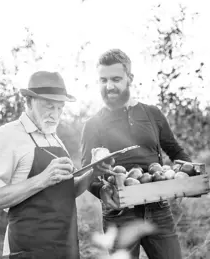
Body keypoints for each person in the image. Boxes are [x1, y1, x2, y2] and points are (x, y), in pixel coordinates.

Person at [0, 71, 112, 259]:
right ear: (29, 101)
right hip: (27, 251)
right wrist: (43, 179)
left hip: (66, 249)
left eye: (60, 108)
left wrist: (92, 173)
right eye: (49, 106)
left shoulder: (54, 138)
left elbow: (67, 191)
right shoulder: (7, 136)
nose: (55, 115)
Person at [81, 49, 192, 259]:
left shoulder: (152, 114)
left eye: (116, 79)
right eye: (103, 80)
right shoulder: (93, 124)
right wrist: (102, 191)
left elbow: (175, 150)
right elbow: (87, 169)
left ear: (130, 78)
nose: (109, 86)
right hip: (119, 212)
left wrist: (187, 175)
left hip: (158, 208)